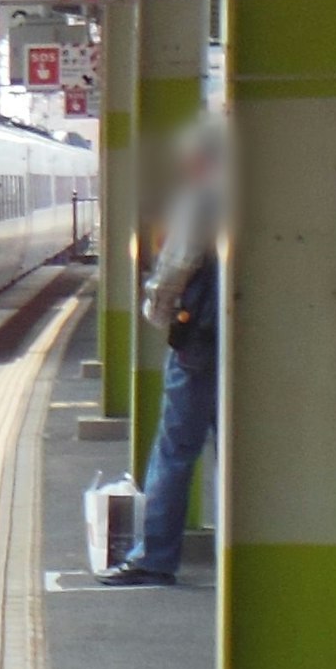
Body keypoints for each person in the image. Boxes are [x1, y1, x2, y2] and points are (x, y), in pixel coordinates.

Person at [106, 119, 224, 587]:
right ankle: (241, 551)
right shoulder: (258, 194)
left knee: (175, 450)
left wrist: (157, 313)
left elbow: (175, 267)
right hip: (245, 346)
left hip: (199, 343)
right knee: (235, 453)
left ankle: (155, 556)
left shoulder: (202, 198)